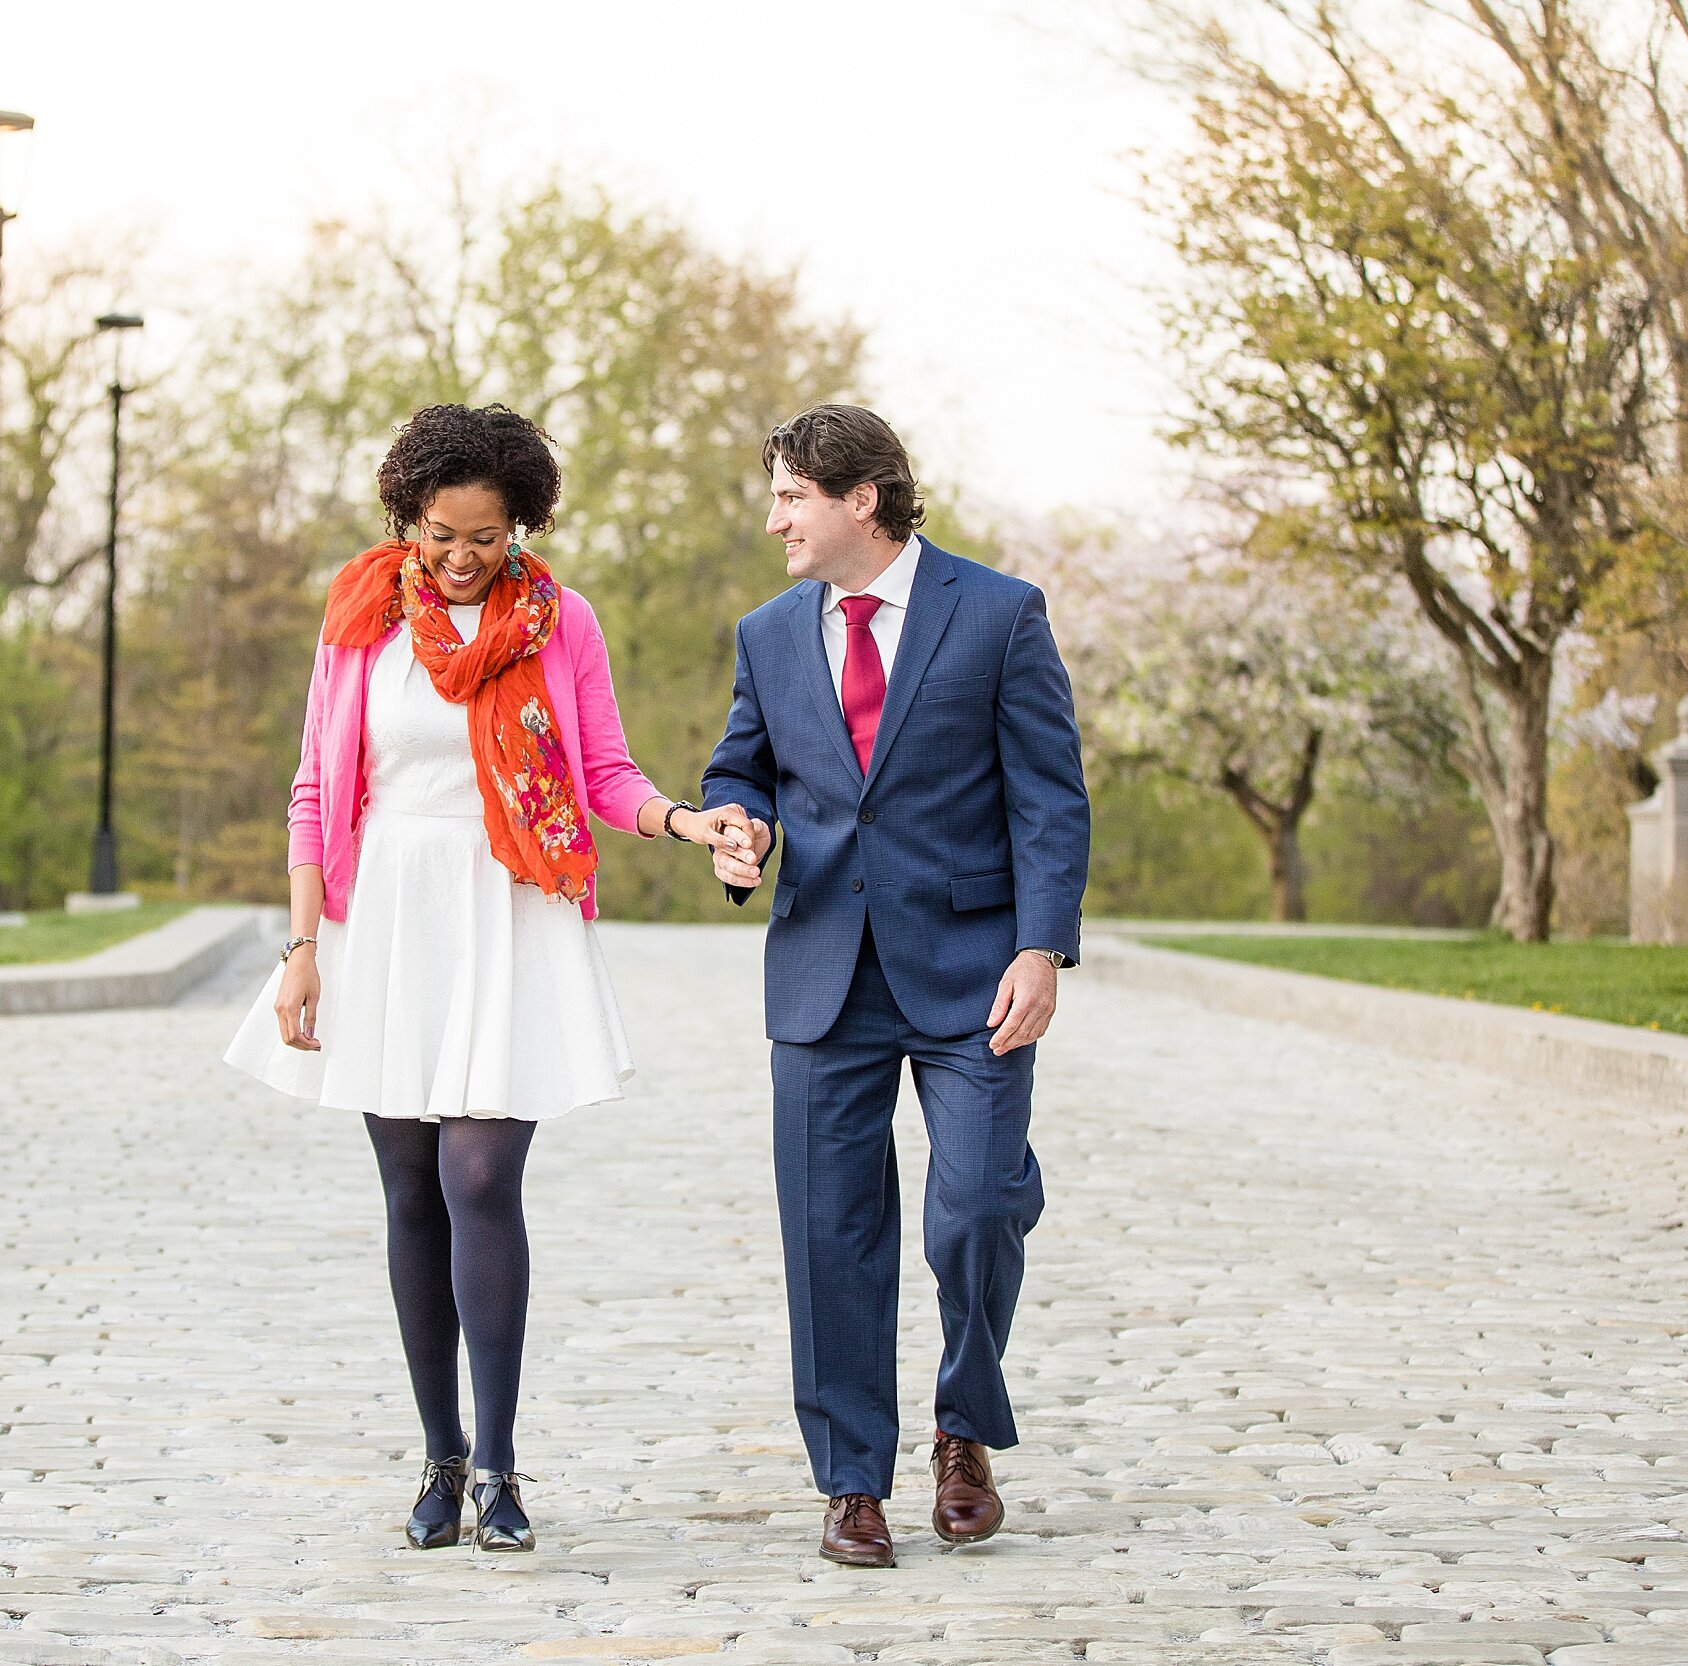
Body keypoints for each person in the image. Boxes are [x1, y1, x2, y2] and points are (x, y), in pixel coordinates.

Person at [224, 402, 750, 1553]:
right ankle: (439, 1457)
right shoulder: (359, 617)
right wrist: (304, 949)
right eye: (438, 533)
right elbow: (316, 787)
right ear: (405, 518)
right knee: (409, 1188)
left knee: (479, 1177)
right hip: (388, 919)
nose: (460, 558)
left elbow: (601, 768)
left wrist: (684, 820)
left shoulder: (562, 623)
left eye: (485, 536)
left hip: (508, 908)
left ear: (522, 525)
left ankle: (503, 1464)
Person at [701, 405, 1090, 1565]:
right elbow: (742, 765)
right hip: (822, 968)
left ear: (858, 498)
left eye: (789, 497)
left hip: (977, 970)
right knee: (830, 1235)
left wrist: (1042, 946)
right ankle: (851, 1481)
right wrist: (741, 828)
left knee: (976, 1207)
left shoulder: (1000, 614)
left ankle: (964, 1426)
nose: (773, 519)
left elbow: (1049, 796)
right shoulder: (768, 633)